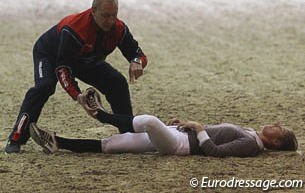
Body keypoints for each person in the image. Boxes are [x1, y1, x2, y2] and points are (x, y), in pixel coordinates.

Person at [5, 0, 148, 154]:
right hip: (50, 55)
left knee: (117, 83)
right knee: (44, 87)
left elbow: (138, 54)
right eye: (105, 16)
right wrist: (78, 95)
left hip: (85, 59)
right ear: (93, 11)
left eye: (114, 16)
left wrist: (137, 62)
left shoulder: (119, 29)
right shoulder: (74, 29)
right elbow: (63, 69)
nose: (110, 21)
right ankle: (16, 136)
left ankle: (128, 134)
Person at [29, 89, 298, 157]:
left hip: (181, 145)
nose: (276, 123)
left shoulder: (252, 145)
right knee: (112, 145)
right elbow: (212, 134)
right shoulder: (251, 133)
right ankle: (57, 143)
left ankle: (99, 113)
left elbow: (214, 153)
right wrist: (190, 124)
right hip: (179, 134)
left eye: (280, 128)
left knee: (148, 121)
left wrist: (200, 129)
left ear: (276, 141)